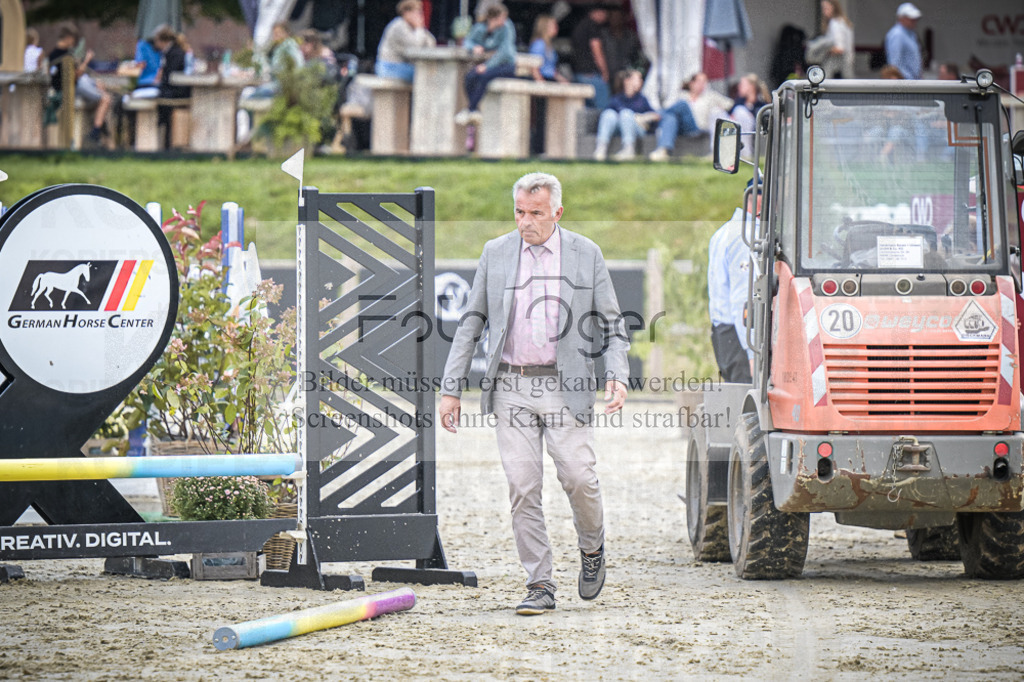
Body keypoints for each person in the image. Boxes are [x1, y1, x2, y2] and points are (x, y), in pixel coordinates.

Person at [439, 172, 629, 616]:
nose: (526, 221)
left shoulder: (586, 253)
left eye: (536, 213)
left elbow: (613, 324)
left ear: (557, 212)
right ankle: (540, 583)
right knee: (523, 488)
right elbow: (471, 323)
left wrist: (616, 374)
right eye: (519, 212)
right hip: (511, 384)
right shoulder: (496, 252)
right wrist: (451, 388)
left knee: (579, 478)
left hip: (567, 385)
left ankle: (592, 547)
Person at [708, 181, 761, 383]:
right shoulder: (745, 237)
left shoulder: (727, 231)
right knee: (745, 396)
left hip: (727, 333)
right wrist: (751, 352)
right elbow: (743, 298)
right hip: (740, 336)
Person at [454, 3, 516, 151]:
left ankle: (471, 110)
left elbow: (504, 52)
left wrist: (487, 66)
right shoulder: (480, 28)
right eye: (501, 18)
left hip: (505, 65)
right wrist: (474, 47)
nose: (504, 21)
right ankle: (473, 109)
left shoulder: (506, 28)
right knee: (470, 77)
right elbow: (467, 41)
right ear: (493, 18)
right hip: (487, 64)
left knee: (483, 77)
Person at [48, 23, 111, 146]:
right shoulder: (65, 56)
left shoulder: (53, 54)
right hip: (71, 88)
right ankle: (96, 131)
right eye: (73, 40)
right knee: (106, 99)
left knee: (100, 84)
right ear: (68, 38)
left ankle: (100, 121)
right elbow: (75, 76)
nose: (73, 43)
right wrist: (87, 60)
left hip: (66, 86)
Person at [649, 71, 732, 162]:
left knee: (682, 104)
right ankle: (663, 150)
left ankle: (654, 116)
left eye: (704, 82)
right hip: (681, 127)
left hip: (697, 128)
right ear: (691, 83)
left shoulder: (710, 96)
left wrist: (730, 113)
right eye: (699, 82)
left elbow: (730, 104)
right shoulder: (682, 95)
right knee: (670, 117)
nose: (702, 85)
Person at [593, 69, 656, 162]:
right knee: (608, 113)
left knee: (625, 113)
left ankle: (629, 149)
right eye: (638, 79)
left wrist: (642, 117)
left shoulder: (642, 99)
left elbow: (655, 115)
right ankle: (601, 148)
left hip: (637, 128)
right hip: (618, 128)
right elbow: (605, 118)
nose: (641, 81)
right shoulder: (617, 98)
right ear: (627, 81)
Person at [375, 0, 436, 84]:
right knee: (424, 74)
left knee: (429, 72)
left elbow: (431, 42)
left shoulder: (413, 27)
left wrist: (421, 28)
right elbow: (416, 47)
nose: (420, 16)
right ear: (407, 13)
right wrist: (419, 28)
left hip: (402, 66)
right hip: (389, 67)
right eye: (417, 12)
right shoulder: (399, 26)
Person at [570, 8, 610, 110]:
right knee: (603, 108)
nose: (606, 17)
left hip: (578, 72)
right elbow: (596, 50)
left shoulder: (579, 25)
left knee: (584, 108)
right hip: (591, 73)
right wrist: (604, 71)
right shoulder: (592, 26)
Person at [885, 2, 922, 80]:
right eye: (911, 19)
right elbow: (894, 62)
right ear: (901, 18)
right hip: (903, 81)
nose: (914, 21)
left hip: (913, 80)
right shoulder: (897, 35)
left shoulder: (912, 34)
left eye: (915, 19)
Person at [820, 0, 854, 79]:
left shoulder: (835, 23)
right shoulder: (843, 22)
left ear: (834, 7)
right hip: (847, 63)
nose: (824, 12)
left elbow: (840, 48)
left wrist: (823, 50)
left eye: (826, 8)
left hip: (839, 66)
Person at [529, 14, 567, 84]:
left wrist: (561, 79)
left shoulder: (549, 45)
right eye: (553, 25)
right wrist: (542, 84)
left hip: (550, 79)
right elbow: (534, 67)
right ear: (545, 27)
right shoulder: (539, 44)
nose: (556, 27)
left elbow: (551, 68)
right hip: (542, 78)